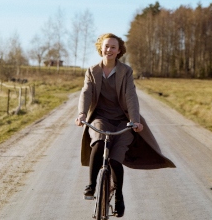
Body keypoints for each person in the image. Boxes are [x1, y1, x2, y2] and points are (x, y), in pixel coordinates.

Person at [75, 33, 175, 218]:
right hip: (101, 118)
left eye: (114, 47)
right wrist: (82, 114)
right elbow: (86, 92)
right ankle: (91, 185)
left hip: (123, 120)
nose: (109, 50)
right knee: (98, 142)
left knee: (115, 159)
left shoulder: (125, 71)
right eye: (106, 46)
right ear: (101, 48)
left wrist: (135, 120)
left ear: (119, 50)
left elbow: (131, 96)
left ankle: (119, 196)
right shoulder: (92, 71)